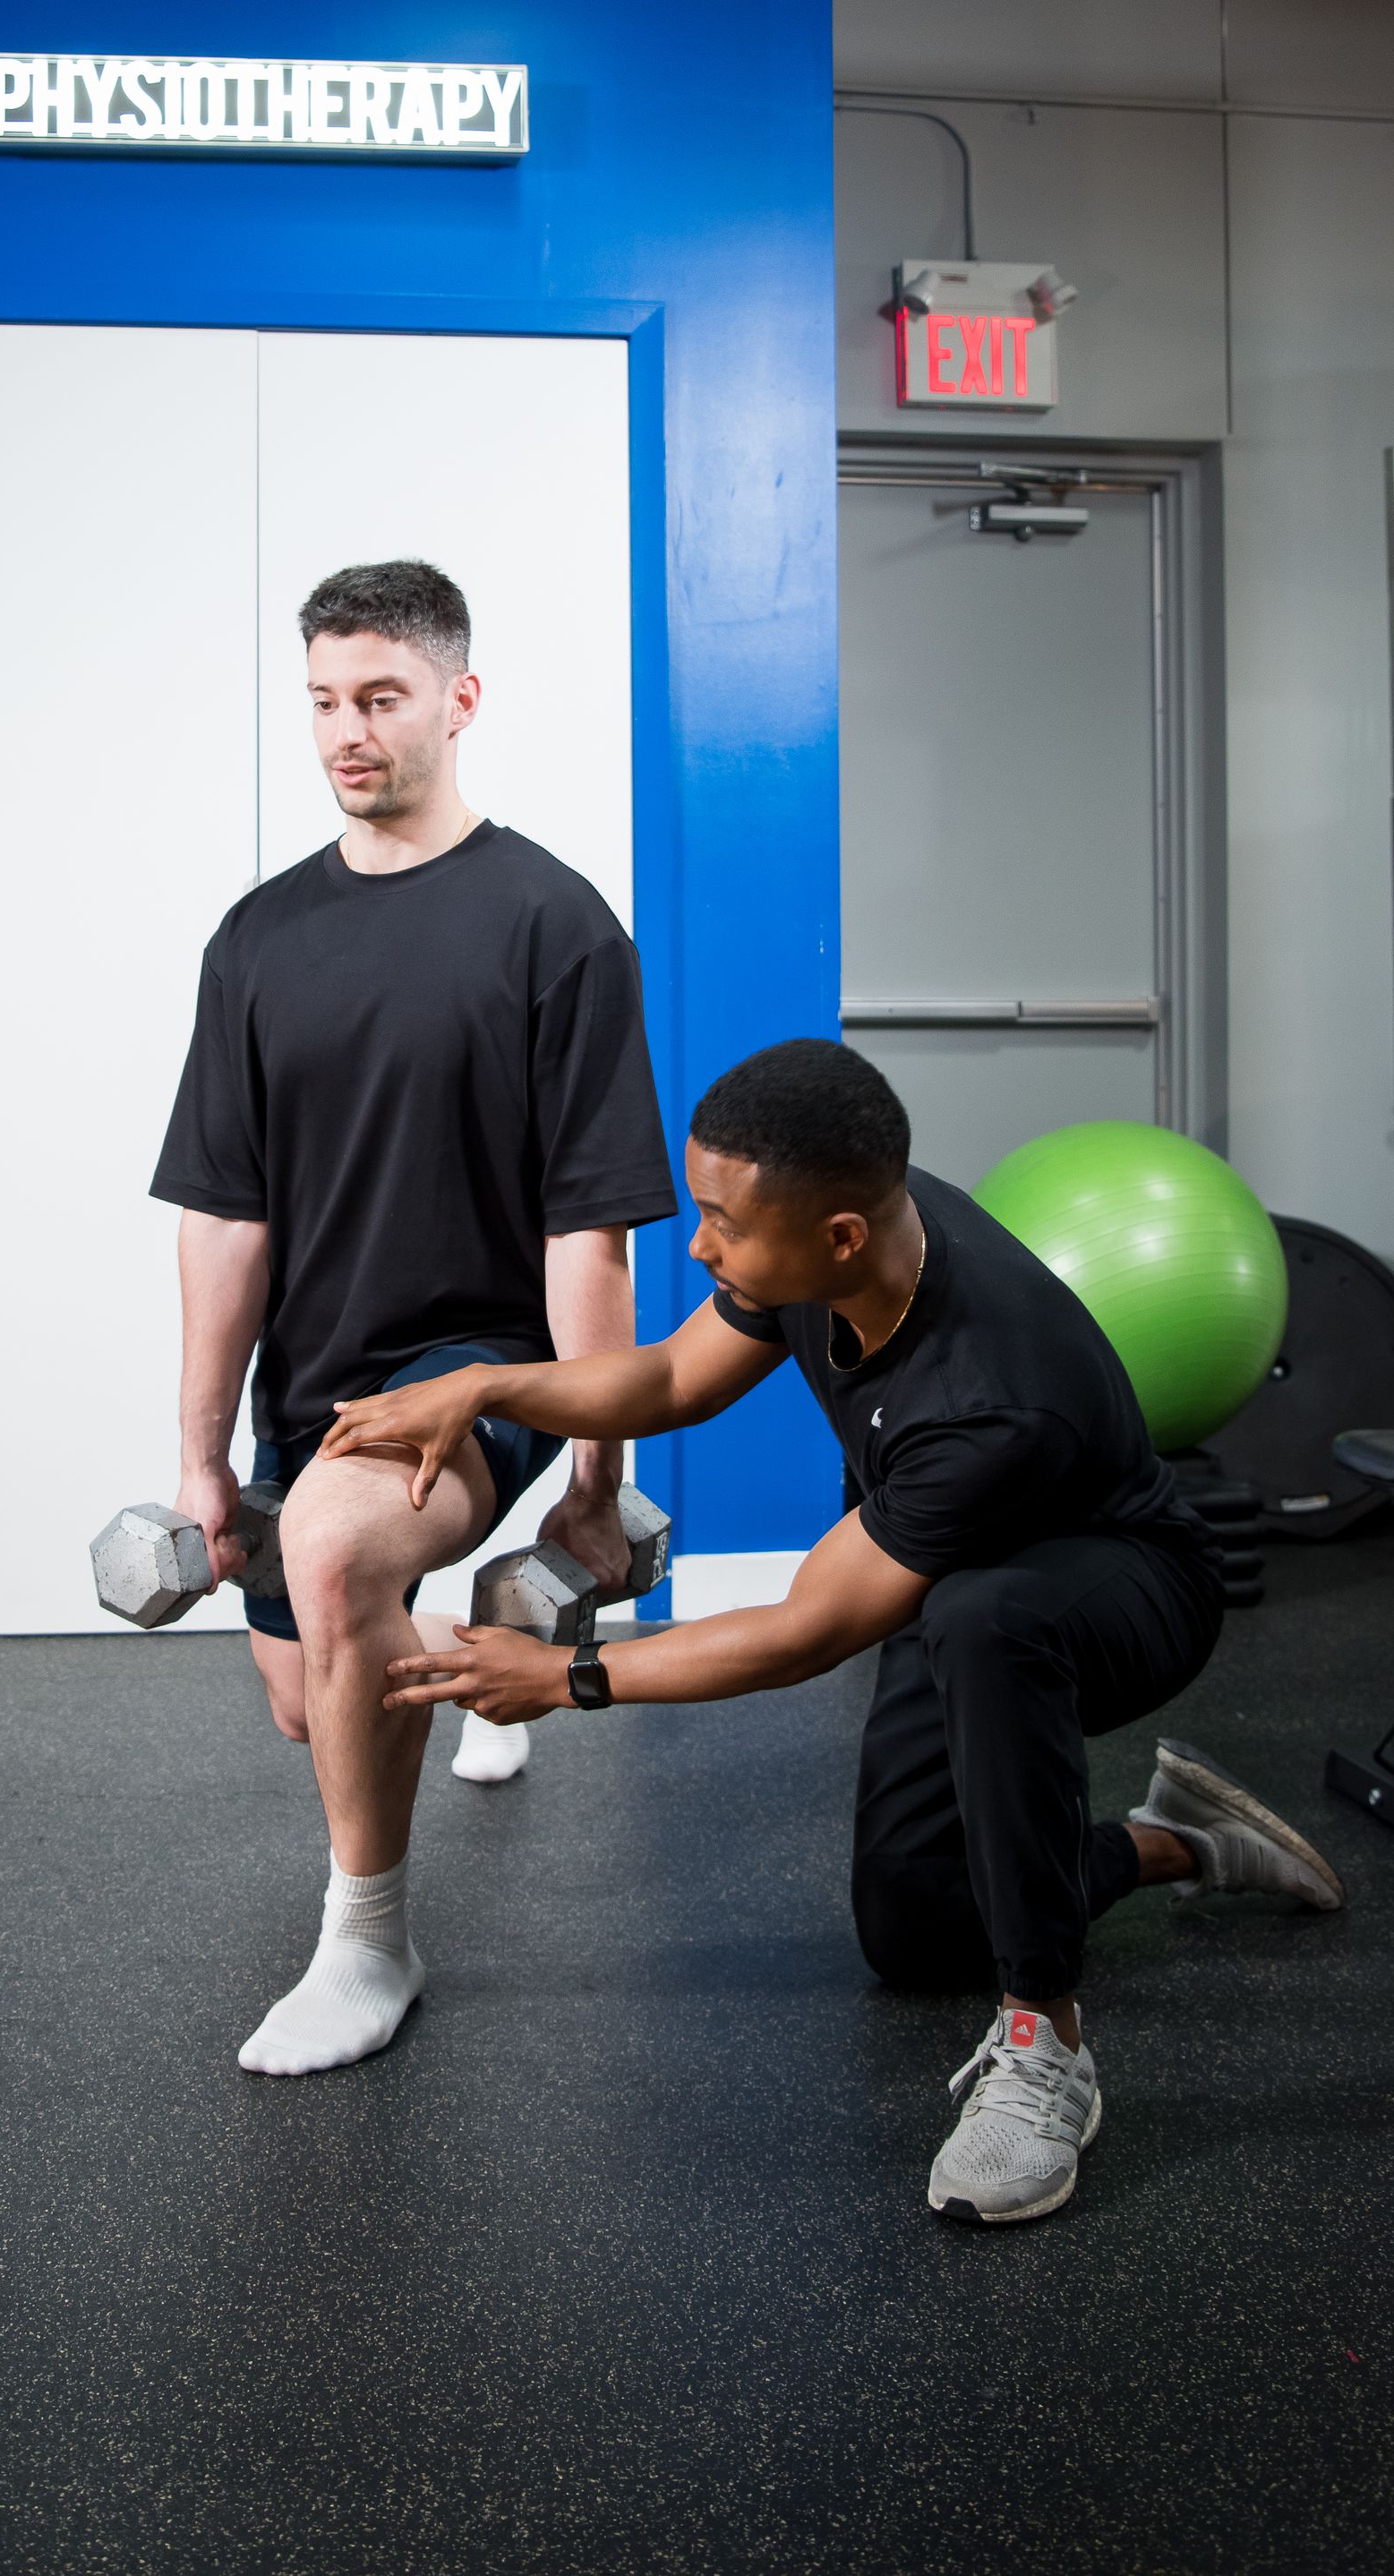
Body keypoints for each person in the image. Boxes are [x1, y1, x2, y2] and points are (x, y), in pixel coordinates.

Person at [321, 1038, 1346, 2222]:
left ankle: (1047, 2040)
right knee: (913, 1924)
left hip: (1130, 1587)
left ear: (841, 1234)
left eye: (718, 1220)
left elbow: (807, 1629)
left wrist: (566, 1676)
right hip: (957, 1570)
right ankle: (1178, 1839)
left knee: (981, 1617)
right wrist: (488, 1388)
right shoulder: (823, 1246)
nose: (699, 1244)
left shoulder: (987, 1392)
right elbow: (666, 1382)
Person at [150, 559, 676, 2076]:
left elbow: (591, 1228)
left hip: (478, 1370)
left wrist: (588, 1475)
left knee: (330, 1556)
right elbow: (226, 1218)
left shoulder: (555, 925)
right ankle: (473, 1654)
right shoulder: (256, 941)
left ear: (461, 696)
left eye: (379, 697)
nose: (346, 732)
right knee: (323, 1698)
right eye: (323, 700)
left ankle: (370, 1942)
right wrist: (200, 1460)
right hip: (315, 1399)